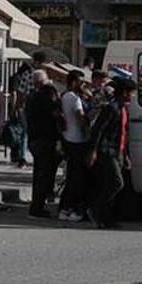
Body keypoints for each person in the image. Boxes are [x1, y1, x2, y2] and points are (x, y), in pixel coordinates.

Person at [88, 77, 136, 229]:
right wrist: (93, 151)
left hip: (119, 151)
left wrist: (126, 155)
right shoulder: (111, 108)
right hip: (107, 151)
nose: (132, 96)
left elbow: (124, 133)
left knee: (112, 184)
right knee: (117, 182)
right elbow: (98, 130)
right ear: (123, 93)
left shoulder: (123, 109)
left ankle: (107, 218)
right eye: (130, 93)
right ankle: (95, 210)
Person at [25, 70, 62, 218]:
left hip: (35, 138)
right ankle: (37, 207)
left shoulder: (32, 96)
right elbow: (55, 112)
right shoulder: (46, 95)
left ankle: (37, 205)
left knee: (39, 174)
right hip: (45, 139)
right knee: (43, 175)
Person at [58, 70, 91, 222]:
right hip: (77, 140)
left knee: (71, 176)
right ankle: (68, 208)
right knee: (76, 177)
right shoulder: (75, 99)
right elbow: (82, 120)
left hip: (68, 138)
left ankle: (64, 207)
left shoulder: (64, 96)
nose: (83, 85)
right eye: (80, 82)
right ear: (73, 82)